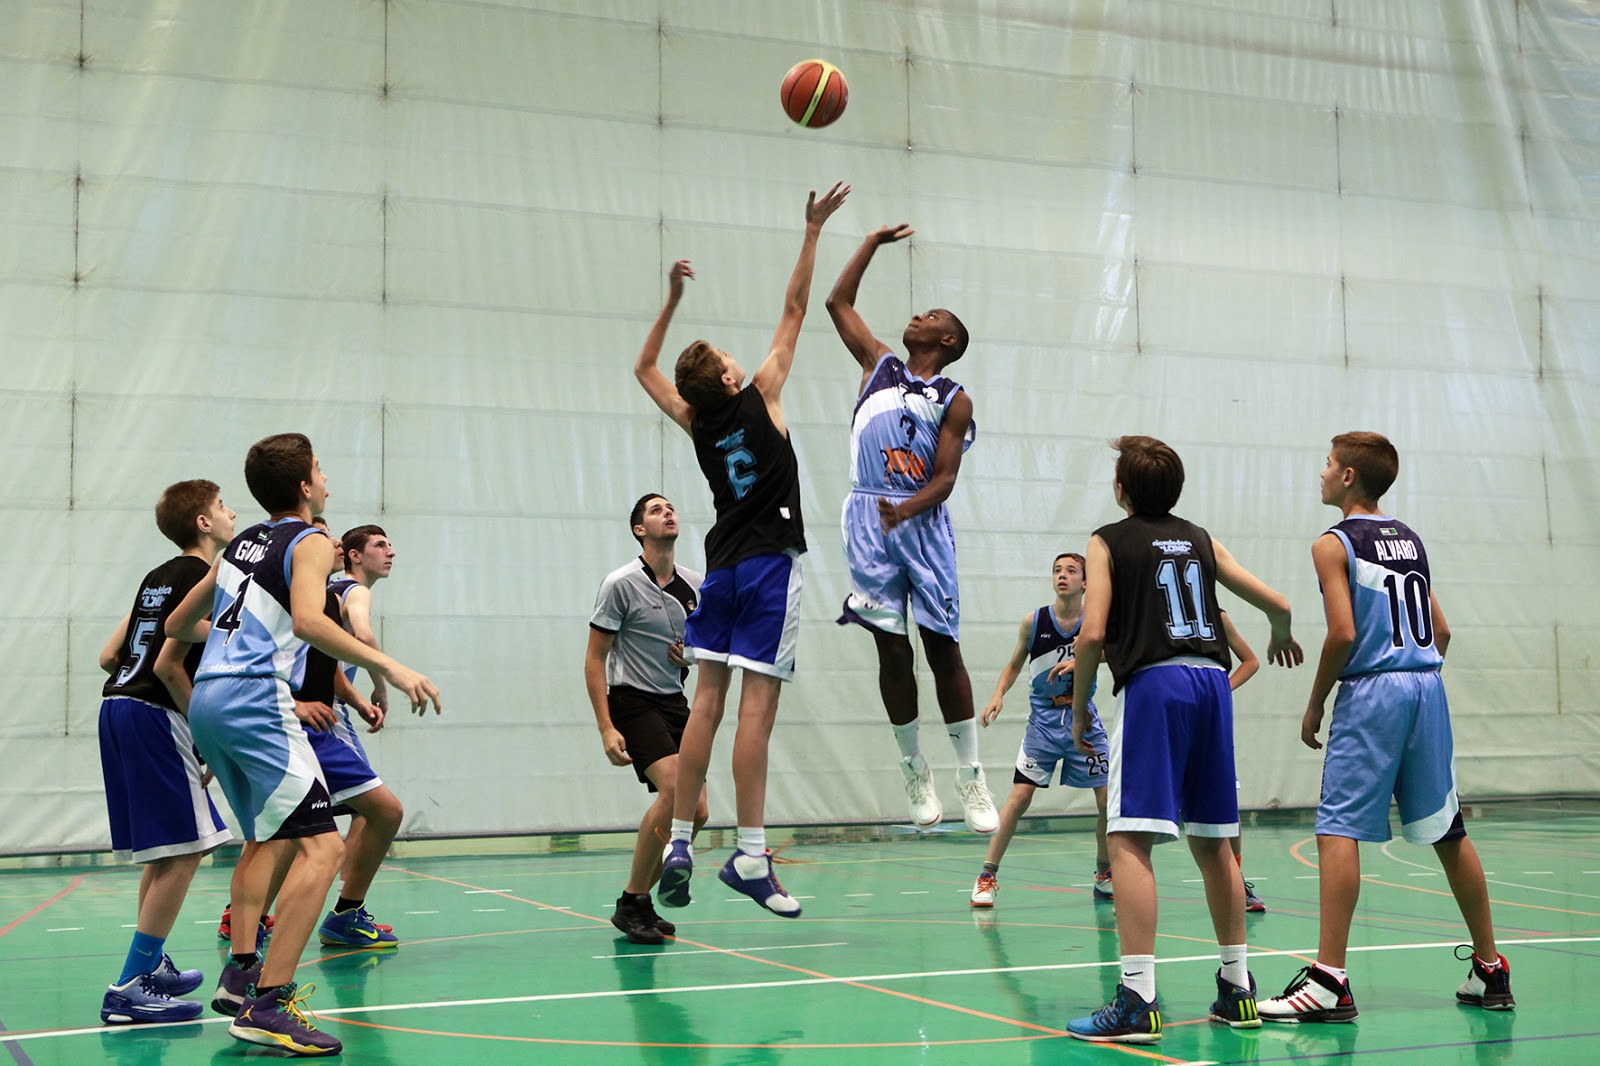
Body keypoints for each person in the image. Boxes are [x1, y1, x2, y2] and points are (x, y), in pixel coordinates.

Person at [167, 433, 439, 1056]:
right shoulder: (311, 540)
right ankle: (269, 1004)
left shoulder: (241, 542)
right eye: (320, 469)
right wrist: (389, 667)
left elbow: (179, 624)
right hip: (256, 698)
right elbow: (311, 622)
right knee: (324, 847)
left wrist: (238, 635)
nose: (326, 479)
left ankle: (242, 973)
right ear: (304, 486)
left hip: (208, 697)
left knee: (270, 839)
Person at [633, 181, 849, 918]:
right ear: (731, 377)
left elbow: (644, 369)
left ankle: (681, 840)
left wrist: (671, 301)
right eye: (730, 357)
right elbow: (796, 307)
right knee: (756, 712)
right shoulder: (763, 392)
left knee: (707, 705)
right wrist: (812, 230)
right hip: (766, 567)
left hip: (719, 568)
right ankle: (751, 854)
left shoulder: (696, 422)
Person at [1259, 433, 1514, 1022]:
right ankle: (1491, 968)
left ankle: (1328, 982)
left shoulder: (1332, 543)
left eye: (1328, 464)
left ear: (1348, 476)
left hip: (1374, 691)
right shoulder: (1409, 538)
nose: (1321, 472)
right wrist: (1416, 677)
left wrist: (1316, 702)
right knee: (1448, 830)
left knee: (1337, 827)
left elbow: (1343, 633)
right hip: (1427, 685)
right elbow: (1441, 631)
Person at [1065, 435, 1303, 1045]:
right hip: (1212, 685)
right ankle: (1237, 990)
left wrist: (1080, 708)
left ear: (1120, 489)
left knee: (1127, 838)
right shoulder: (1199, 538)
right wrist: (1279, 631)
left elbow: (1091, 635)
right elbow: (1277, 603)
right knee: (1215, 842)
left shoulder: (1106, 541)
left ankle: (1138, 998)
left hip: (1158, 685)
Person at [825, 223, 997, 834]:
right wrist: (870, 243)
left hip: (919, 520)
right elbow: (837, 302)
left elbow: (945, 478)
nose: (917, 315)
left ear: (947, 339)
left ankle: (971, 775)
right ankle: (913, 768)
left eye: (931, 316)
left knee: (941, 646)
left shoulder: (954, 397)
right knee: (891, 647)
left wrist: (907, 508)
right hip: (868, 517)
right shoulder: (879, 365)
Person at [96, 480, 237, 1024]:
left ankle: (149, 966)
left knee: (166, 851)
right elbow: (167, 663)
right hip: (155, 712)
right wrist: (207, 738)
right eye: (222, 507)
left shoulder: (155, 577)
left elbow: (110, 655)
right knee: (187, 851)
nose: (231, 513)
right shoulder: (202, 576)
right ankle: (129, 986)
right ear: (203, 523)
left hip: (117, 706)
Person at [586, 493, 709, 943]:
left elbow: (705, 647)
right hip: (632, 701)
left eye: (671, 508)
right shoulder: (620, 584)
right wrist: (606, 727)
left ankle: (634, 901)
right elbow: (594, 659)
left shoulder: (696, 584)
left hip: (676, 701)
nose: (668, 513)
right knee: (675, 791)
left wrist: (689, 655)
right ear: (640, 529)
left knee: (698, 811)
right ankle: (635, 899)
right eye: (656, 510)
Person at [970, 552, 1112, 908]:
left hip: (1085, 721)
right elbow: (1014, 664)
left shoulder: (1095, 622)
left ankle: (1104, 872)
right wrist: (998, 694)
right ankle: (986, 875)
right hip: (1044, 725)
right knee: (1019, 798)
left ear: (1085, 582)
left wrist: (1082, 659)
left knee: (1107, 801)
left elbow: (1117, 652)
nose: (1062, 575)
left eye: (1071, 571)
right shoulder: (1034, 622)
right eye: (1057, 570)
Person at [309, 523, 416, 949]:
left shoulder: (326, 592)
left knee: (309, 819)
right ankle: (346, 910)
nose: (390, 552)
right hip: (326, 713)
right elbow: (365, 634)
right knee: (379, 811)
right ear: (354, 555)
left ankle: (341, 908)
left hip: (322, 707)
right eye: (379, 545)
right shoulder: (354, 590)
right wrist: (381, 684)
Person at [1218, 611, 1266, 913]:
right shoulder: (1146, 608)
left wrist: (1222, 687)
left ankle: (1237, 881)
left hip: (1209, 719)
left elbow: (1251, 661)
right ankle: (1130, 889)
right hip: (1161, 714)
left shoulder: (1216, 614)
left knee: (1227, 808)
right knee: (1147, 814)